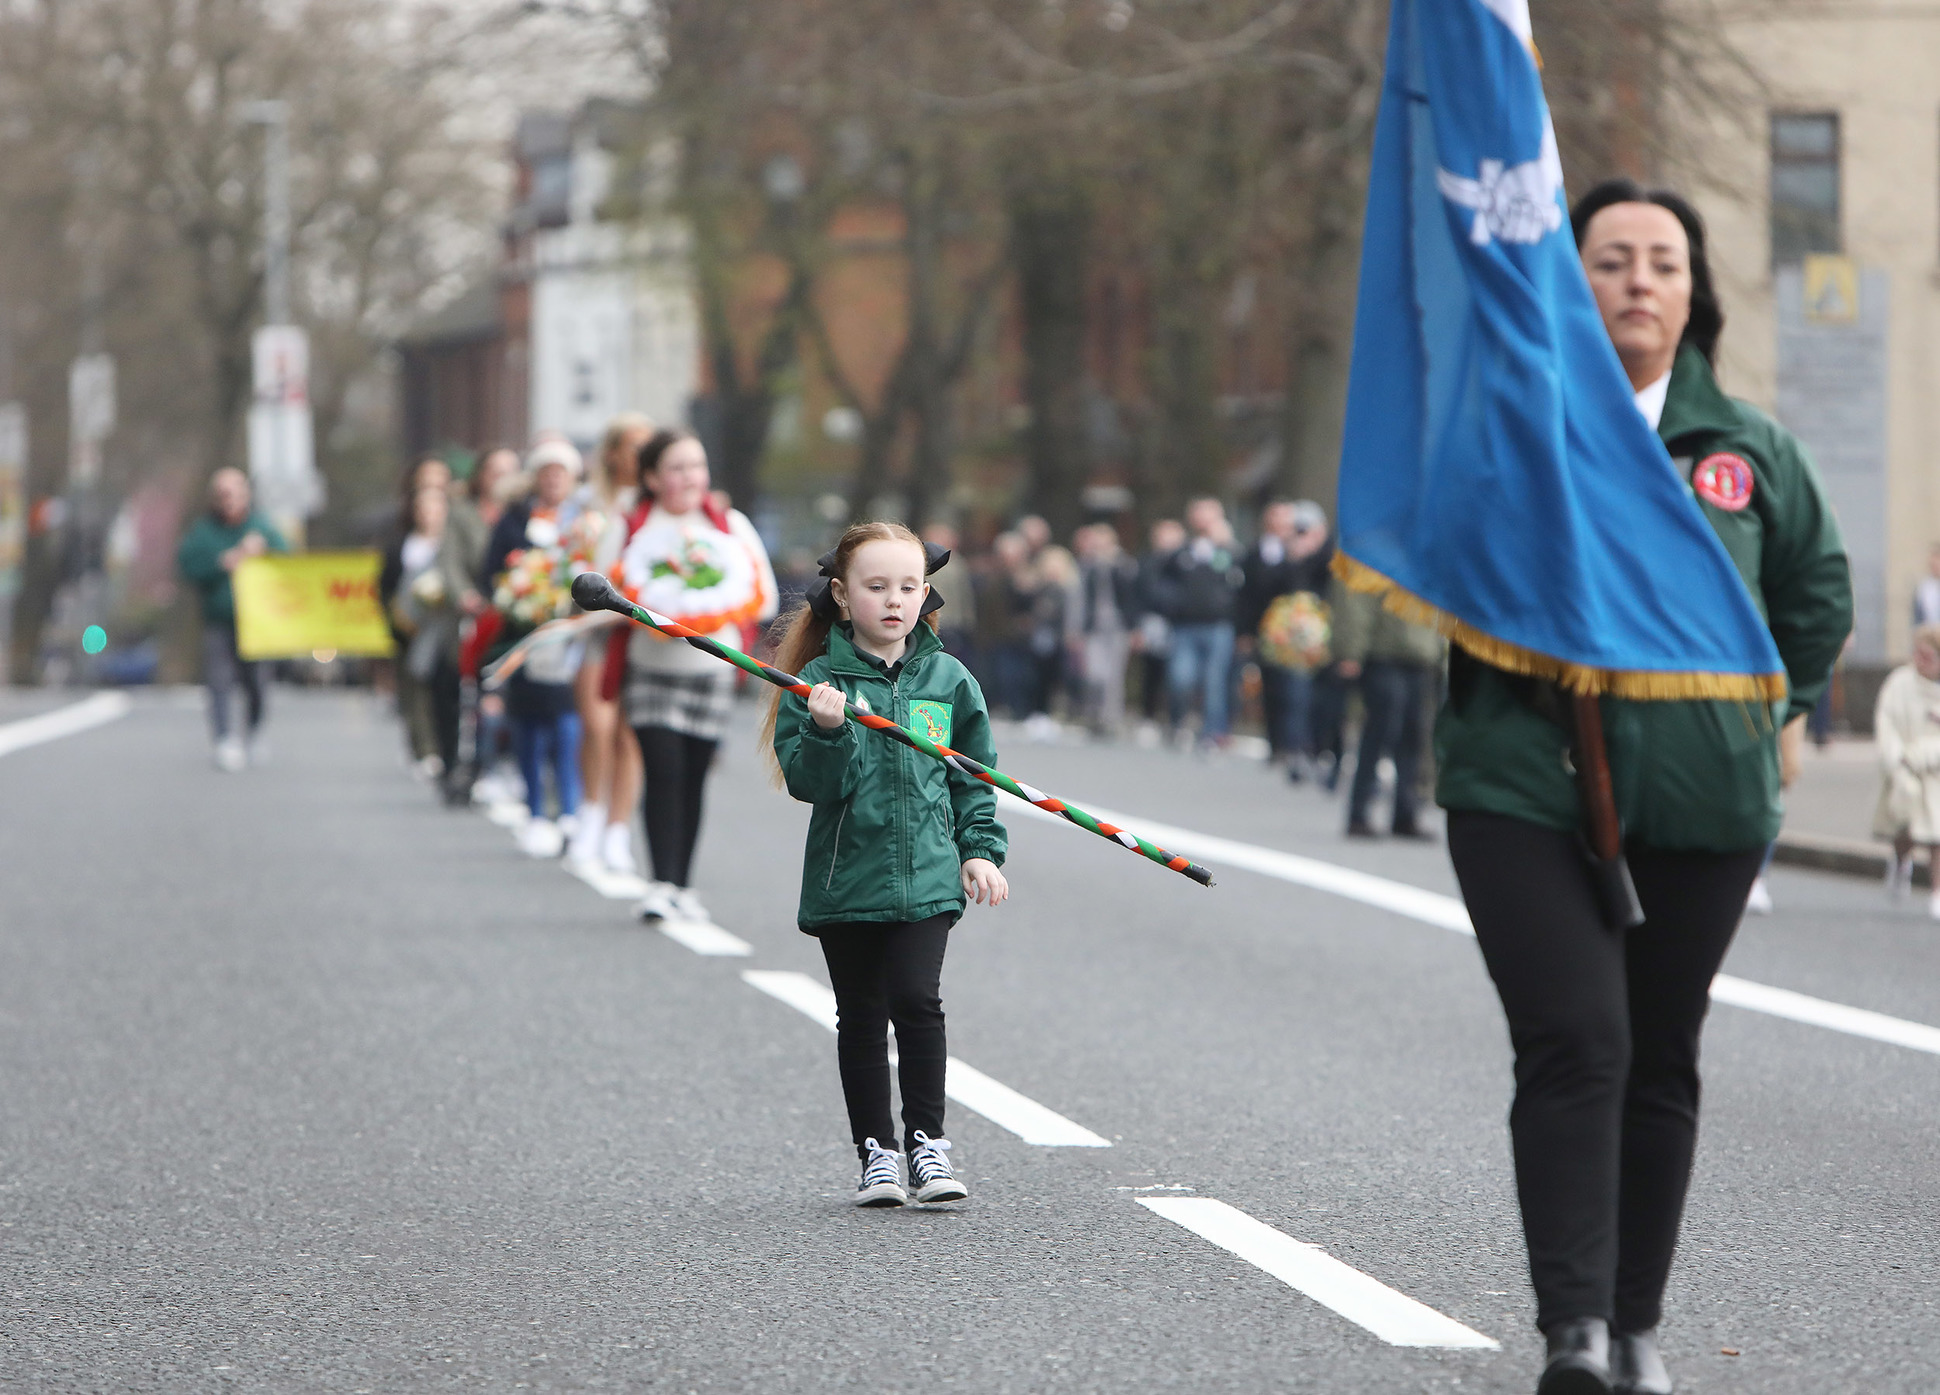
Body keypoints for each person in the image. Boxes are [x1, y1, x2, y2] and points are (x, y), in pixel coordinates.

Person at [1437, 181, 1851, 1395]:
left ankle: (1631, 1330)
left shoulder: (1750, 451)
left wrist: (1743, 721)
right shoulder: (1507, 426)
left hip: (1702, 808)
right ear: (1571, 284)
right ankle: (1569, 1330)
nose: (1635, 280)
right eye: (1608, 259)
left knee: (1660, 1050)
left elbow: (1813, 604)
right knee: (1577, 1037)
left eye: (1659, 262)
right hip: (1519, 786)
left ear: (1691, 291)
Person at [766, 521, 1008, 1207]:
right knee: (862, 1014)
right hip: (849, 880)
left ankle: (928, 1142)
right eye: (876, 587)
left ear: (926, 593)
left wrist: (980, 851)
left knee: (917, 999)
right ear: (842, 595)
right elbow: (810, 781)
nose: (894, 600)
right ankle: (877, 1150)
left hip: (929, 873)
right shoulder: (815, 681)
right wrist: (828, 729)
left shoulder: (950, 680)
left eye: (907, 586)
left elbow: (973, 776)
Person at [610, 429, 777, 923]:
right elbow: (599, 592)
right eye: (677, 468)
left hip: (711, 669)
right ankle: (660, 882)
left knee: (692, 776)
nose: (689, 478)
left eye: (697, 467)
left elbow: (763, 595)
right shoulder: (630, 528)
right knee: (662, 769)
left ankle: (683, 884)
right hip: (651, 668)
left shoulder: (729, 526)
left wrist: (711, 599)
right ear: (652, 477)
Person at [482, 439, 595, 858]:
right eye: (546, 472)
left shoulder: (585, 521)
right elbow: (494, 569)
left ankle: (569, 806)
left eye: (560, 473)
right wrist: (519, 592)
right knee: (527, 718)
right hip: (525, 630)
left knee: (567, 716)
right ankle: (534, 809)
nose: (553, 480)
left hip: (571, 630)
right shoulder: (514, 519)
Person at [569, 413, 654, 874]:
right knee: (596, 725)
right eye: (632, 446)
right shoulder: (588, 503)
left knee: (629, 732)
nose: (640, 455)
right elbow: (568, 554)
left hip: (638, 625)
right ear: (613, 453)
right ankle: (590, 812)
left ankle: (619, 830)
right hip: (595, 626)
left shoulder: (656, 504)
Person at [176, 468, 289, 771]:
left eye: (234, 492)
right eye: (222, 494)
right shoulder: (204, 531)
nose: (229, 500)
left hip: (257, 622)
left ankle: (253, 731)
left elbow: (288, 559)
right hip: (219, 619)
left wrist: (264, 551)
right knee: (218, 682)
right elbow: (187, 565)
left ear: (246, 495)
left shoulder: (262, 526)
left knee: (257, 682)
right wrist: (222, 563)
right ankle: (224, 738)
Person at [1332, 576, 1442, 838]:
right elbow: (1360, 601)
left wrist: (1441, 654)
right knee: (1380, 733)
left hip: (1421, 658)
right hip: (1382, 655)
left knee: (1414, 737)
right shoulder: (1385, 551)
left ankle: (1406, 814)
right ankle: (1359, 813)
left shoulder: (1427, 553)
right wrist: (1351, 650)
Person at [379, 483, 468, 792]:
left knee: (446, 690)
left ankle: (449, 751)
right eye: (423, 508)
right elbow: (388, 585)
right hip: (412, 626)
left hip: (447, 626)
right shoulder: (402, 545)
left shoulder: (451, 542)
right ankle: (424, 748)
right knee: (415, 689)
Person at [1155, 497, 1242, 747]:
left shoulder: (1228, 551)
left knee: (1214, 682)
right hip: (1185, 626)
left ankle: (1212, 733)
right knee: (1179, 678)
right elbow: (1163, 582)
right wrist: (1173, 605)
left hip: (1218, 626)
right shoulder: (1182, 552)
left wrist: (1226, 544)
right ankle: (1178, 722)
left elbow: (1240, 582)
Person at [1873, 624, 1940, 915]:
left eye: (1927, 656)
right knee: (1905, 828)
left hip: (1935, 771)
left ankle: (1938, 892)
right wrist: (1898, 758)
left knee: (1938, 835)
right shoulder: (1899, 683)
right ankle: (1901, 860)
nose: (1920, 660)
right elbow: (1885, 722)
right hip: (1904, 770)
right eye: (1917, 654)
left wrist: (1921, 755)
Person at [1071, 522, 1138, 737]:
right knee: (1094, 673)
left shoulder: (1123, 565)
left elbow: (1132, 596)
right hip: (1094, 628)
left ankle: (1111, 718)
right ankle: (1094, 714)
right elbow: (1079, 600)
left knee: (1114, 677)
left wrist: (1134, 627)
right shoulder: (1087, 567)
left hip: (1118, 627)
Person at [1133, 519, 1185, 731]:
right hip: (1151, 620)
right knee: (1151, 671)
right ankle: (1149, 716)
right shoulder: (1146, 561)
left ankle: (1175, 719)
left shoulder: (1185, 560)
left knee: (1177, 674)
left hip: (1179, 622)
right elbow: (1137, 594)